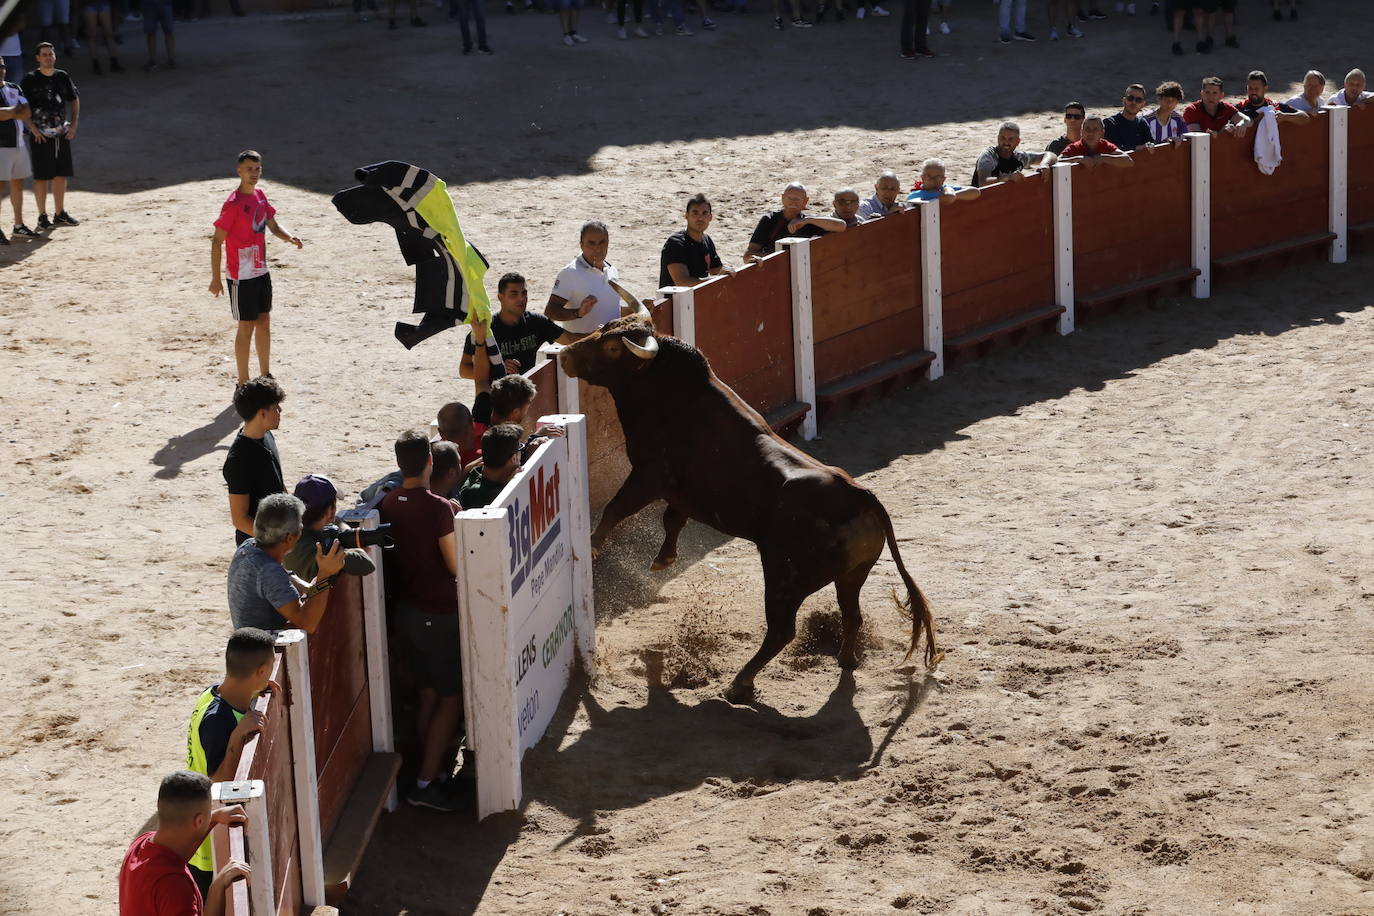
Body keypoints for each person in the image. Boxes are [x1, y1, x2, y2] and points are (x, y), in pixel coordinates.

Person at [378, 430, 467, 813]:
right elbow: (455, 565)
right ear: (430, 462)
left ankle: (424, 769)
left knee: (429, 693)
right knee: (451, 698)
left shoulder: (386, 503)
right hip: (437, 615)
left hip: (407, 613)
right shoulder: (437, 508)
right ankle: (426, 782)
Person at [185, 628, 275, 898]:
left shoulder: (212, 693)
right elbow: (218, 785)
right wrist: (237, 736)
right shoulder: (218, 721)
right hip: (208, 844)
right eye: (269, 671)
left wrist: (260, 689)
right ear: (260, 671)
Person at [209, 151, 304, 390]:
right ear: (239, 171)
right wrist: (216, 278)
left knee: (264, 322)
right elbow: (216, 240)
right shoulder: (233, 205)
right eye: (250, 169)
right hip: (240, 275)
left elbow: (272, 225)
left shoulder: (260, 196)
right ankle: (242, 381)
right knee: (246, 326)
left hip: (261, 271)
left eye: (258, 169)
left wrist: (289, 237)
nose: (254, 174)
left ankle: (265, 375)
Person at [118, 771, 250, 916]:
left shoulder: (141, 843)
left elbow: (178, 854)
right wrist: (217, 887)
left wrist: (214, 818)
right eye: (210, 809)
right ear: (199, 821)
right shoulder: (175, 887)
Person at [227, 493, 346, 633]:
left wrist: (310, 587)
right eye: (300, 528)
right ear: (289, 538)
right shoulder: (268, 571)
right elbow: (308, 623)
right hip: (267, 651)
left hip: (250, 646)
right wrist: (325, 575)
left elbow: (280, 577)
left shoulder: (248, 546)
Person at [460, 272, 572, 379]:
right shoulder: (486, 330)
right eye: (514, 294)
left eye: (524, 293)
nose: (521, 299)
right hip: (497, 395)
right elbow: (464, 370)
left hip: (527, 393)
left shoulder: (536, 322)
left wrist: (578, 313)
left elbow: (571, 340)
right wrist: (498, 369)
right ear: (500, 297)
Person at [545, 220, 647, 336]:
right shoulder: (570, 273)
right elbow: (551, 311)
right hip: (583, 348)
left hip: (609, 347)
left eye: (602, 242)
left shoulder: (612, 270)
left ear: (608, 243)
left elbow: (610, 310)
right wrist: (577, 313)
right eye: (591, 243)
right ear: (581, 245)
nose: (597, 248)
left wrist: (637, 309)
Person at [20, 42, 79, 232]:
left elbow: (74, 99)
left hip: (61, 132)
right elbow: (21, 107)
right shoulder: (30, 79)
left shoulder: (62, 76)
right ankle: (42, 215)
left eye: (50, 54)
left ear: (54, 56)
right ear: (37, 58)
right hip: (41, 136)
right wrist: (31, 128)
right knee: (42, 176)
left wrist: (74, 124)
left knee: (61, 174)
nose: (48, 57)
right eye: (44, 54)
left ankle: (60, 213)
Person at [223, 376, 286, 545]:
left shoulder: (267, 435)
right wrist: (274, 541)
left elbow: (278, 483)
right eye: (275, 406)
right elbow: (240, 518)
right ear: (262, 413)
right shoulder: (239, 460)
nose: (280, 410)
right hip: (257, 550)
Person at [282, 475, 377, 581]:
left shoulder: (286, 534)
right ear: (329, 511)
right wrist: (354, 545)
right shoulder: (326, 550)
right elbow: (367, 565)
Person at [744, 183, 846, 261]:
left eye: (797, 199)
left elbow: (842, 226)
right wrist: (776, 259)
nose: (793, 202)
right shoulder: (770, 219)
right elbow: (748, 255)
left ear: (805, 201)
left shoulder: (809, 221)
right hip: (774, 268)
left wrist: (808, 220)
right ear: (783, 198)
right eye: (789, 198)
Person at [660, 194, 732, 287]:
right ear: (686, 216)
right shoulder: (676, 243)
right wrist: (717, 278)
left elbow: (716, 269)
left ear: (710, 217)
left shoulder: (707, 240)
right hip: (675, 300)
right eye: (695, 213)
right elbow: (682, 282)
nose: (700, 218)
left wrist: (728, 269)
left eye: (704, 213)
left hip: (698, 298)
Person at [0, 59, 32, 246]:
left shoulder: (14, 87)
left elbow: (27, 112)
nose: (1, 70)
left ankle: (18, 224)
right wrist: (15, 111)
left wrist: (8, 112)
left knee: (18, 185)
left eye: (2, 66)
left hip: (19, 144)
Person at [458, 424, 524, 509]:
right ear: (514, 458)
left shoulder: (476, 471)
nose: (522, 452)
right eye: (520, 447)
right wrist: (509, 486)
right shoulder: (475, 494)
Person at [970, 122, 1055, 187]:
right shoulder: (989, 155)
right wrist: (1007, 177)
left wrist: (1045, 164)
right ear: (998, 138)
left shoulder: (1019, 157)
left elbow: (1050, 155)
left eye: (1010, 139)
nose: (1006, 142)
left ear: (1018, 142)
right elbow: (982, 182)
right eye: (1003, 138)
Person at [1058, 116, 1134, 168]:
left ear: (1102, 133)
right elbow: (1058, 162)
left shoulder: (1105, 145)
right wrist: (1078, 159)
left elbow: (1128, 161)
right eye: (1087, 129)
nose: (1091, 133)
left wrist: (1103, 158)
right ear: (1082, 132)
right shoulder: (1075, 147)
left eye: (1095, 130)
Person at [1184, 77, 1250, 136]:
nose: (1210, 96)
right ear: (1202, 94)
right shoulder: (1192, 110)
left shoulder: (1226, 108)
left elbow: (1248, 120)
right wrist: (1222, 132)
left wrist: (1242, 124)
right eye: (1207, 92)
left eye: (1215, 93)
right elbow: (1196, 137)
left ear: (1221, 95)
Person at [1237, 70, 1308, 124]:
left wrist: (1285, 117)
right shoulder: (1240, 107)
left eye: (1256, 89)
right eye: (1250, 88)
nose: (1253, 92)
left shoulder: (1275, 106)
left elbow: (1305, 117)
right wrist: (1257, 120)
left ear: (1265, 89)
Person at [1102, 84, 1154, 151]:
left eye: (1138, 100)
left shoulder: (1142, 123)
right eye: (1130, 98)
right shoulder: (1110, 123)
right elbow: (1115, 149)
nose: (1134, 102)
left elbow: (1152, 145)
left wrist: (1167, 141)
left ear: (1143, 104)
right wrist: (1139, 148)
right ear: (1124, 101)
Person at [907, 158, 981, 204]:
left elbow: (976, 191)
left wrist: (951, 193)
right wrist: (948, 194)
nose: (933, 180)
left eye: (937, 177)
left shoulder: (946, 189)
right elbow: (949, 197)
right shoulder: (916, 195)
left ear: (943, 179)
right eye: (929, 177)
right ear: (922, 178)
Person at [81, 0, 121, 74]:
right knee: (92, 34)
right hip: (90, 4)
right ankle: (96, 63)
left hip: (103, 3)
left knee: (108, 33)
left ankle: (113, 61)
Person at [142, 0, 176, 70]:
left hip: (162, 3)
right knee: (152, 32)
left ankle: (170, 59)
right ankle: (153, 60)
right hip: (151, 4)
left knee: (167, 31)